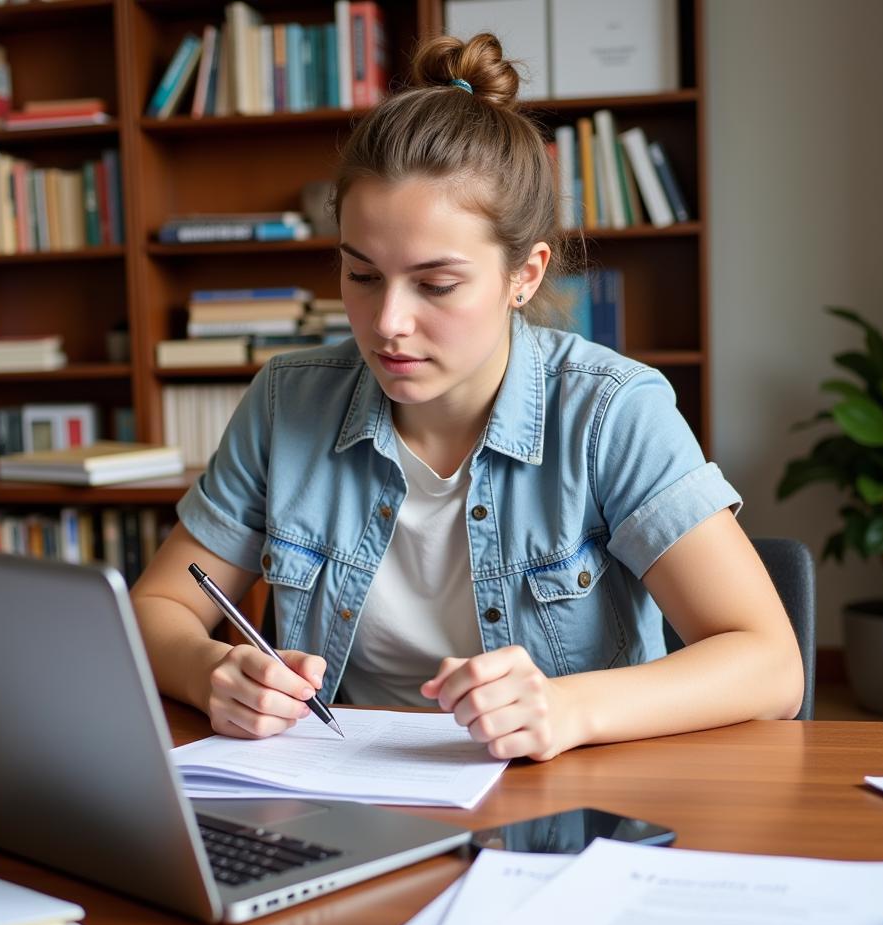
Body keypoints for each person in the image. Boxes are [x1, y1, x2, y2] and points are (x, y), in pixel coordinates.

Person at [131, 33, 803, 761]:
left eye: (436, 284)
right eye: (361, 275)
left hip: (570, 806)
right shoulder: (286, 403)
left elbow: (771, 665)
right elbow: (156, 609)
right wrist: (213, 671)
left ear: (526, 273)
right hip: (345, 797)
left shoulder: (612, 412)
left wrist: (567, 707)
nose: (388, 324)